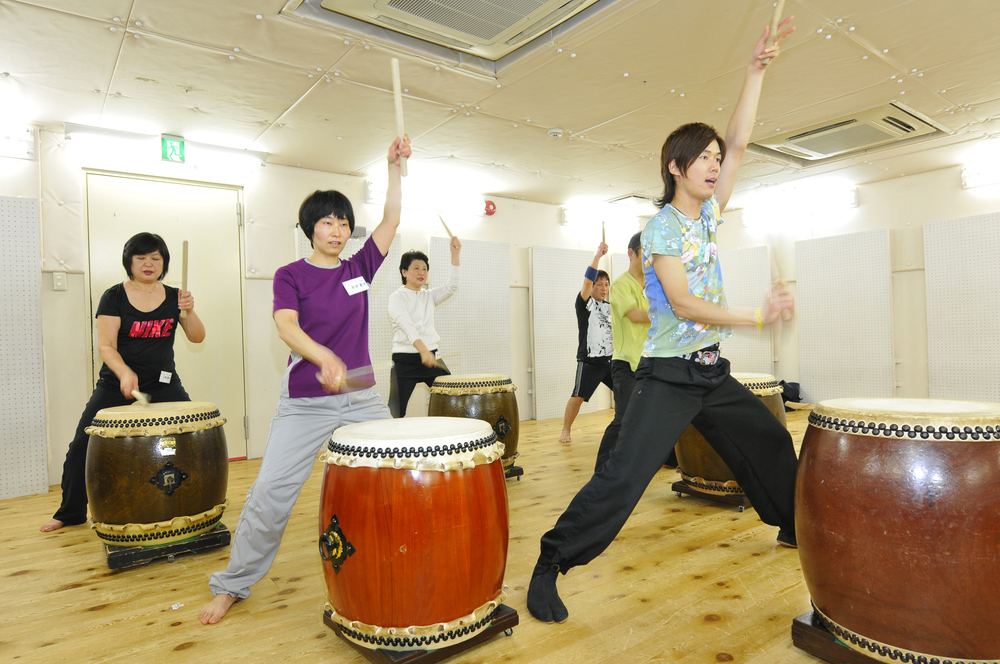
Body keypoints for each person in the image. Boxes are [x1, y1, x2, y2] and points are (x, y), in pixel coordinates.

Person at [527, 17, 798, 625]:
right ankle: (551, 562)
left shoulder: (709, 216)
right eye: (702, 158)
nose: (714, 165)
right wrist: (757, 315)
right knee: (624, 477)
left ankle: (792, 523)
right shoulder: (661, 230)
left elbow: (740, 142)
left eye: (715, 158)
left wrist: (755, 72)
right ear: (675, 167)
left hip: (710, 372)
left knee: (769, 439)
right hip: (669, 375)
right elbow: (683, 304)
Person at [199, 135, 411, 625]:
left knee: (400, 470)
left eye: (343, 223)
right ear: (309, 228)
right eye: (327, 222)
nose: (337, 231)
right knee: (270, 492)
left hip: (361, 398)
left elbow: (392, 218)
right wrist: (323, 356)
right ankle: (232, 585)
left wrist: (392, 167)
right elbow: (286, 326)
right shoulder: (290, 274)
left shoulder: (360, 267)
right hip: (306, 402)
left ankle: (401, 560)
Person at [40, 232, 206, 532]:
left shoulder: (175, 297)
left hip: (164, 384)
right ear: (129, 262)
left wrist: (189, 310)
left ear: (164, 263)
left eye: (155, 258)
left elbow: (197, 337)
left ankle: (194, 503)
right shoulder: (114, 296)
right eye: (141, 257)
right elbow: (106, 346)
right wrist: (125, 373)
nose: (148, 263)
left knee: (192, 439)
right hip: (116, 383)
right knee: (83, 445)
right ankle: (71, 512)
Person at [593, 231, 676, 473]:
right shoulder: (620, 285)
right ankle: (602, 470)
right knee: (625, 419)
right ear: (631, 253)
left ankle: (670, 459)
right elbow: (635, 315)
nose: (650, 260)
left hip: (653, 361)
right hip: (626, 364)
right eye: (646, 254)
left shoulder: (655, 284)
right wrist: (668, 311)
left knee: (663, 413)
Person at [386, 236, 461, 417]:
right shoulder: (396, 298)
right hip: (405, 360)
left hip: (432, 357)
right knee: (395, 411)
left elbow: (452, 287)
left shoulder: (429, 296)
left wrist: (455, 254)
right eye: (416, 268)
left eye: (425, 269)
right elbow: (407, 326)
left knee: (453, 398)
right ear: (404, 272)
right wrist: (422, 350)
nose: (422, 272)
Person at [559, 242, 613, 443]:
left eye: (606, 284)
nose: (603, 288)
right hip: (590, 361)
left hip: (610, 361)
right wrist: (598, 256)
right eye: (599, 284)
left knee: (627, 393)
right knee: (578, 397)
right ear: (592, 287)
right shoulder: (584, 304)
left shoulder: (610, 307)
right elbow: (587, 280)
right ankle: (565, 430)